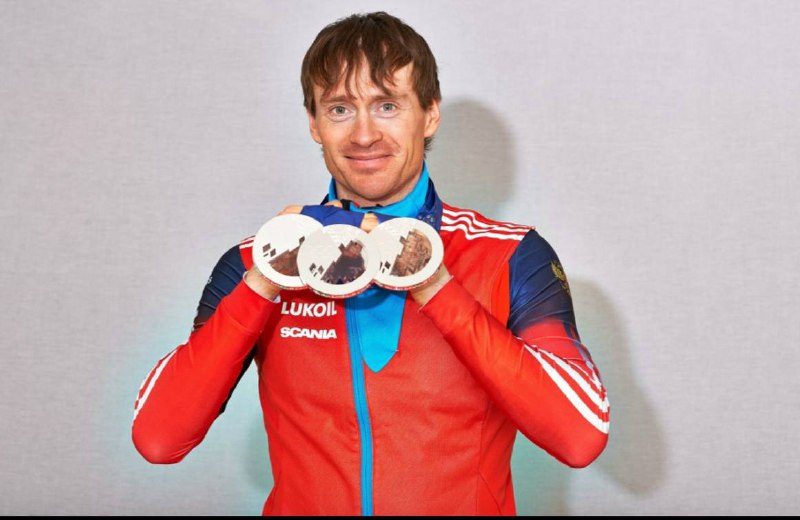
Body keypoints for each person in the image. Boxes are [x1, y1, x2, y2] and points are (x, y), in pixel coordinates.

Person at [132, 11, 609, 516]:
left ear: (430, 114)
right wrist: (263, 282)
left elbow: (578, 437)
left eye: (387, 106)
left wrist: (433, 284)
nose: (363, 135)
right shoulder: (256, 263)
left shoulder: (509, 254)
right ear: (314, 124)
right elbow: (160, 438)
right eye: (340, 109)